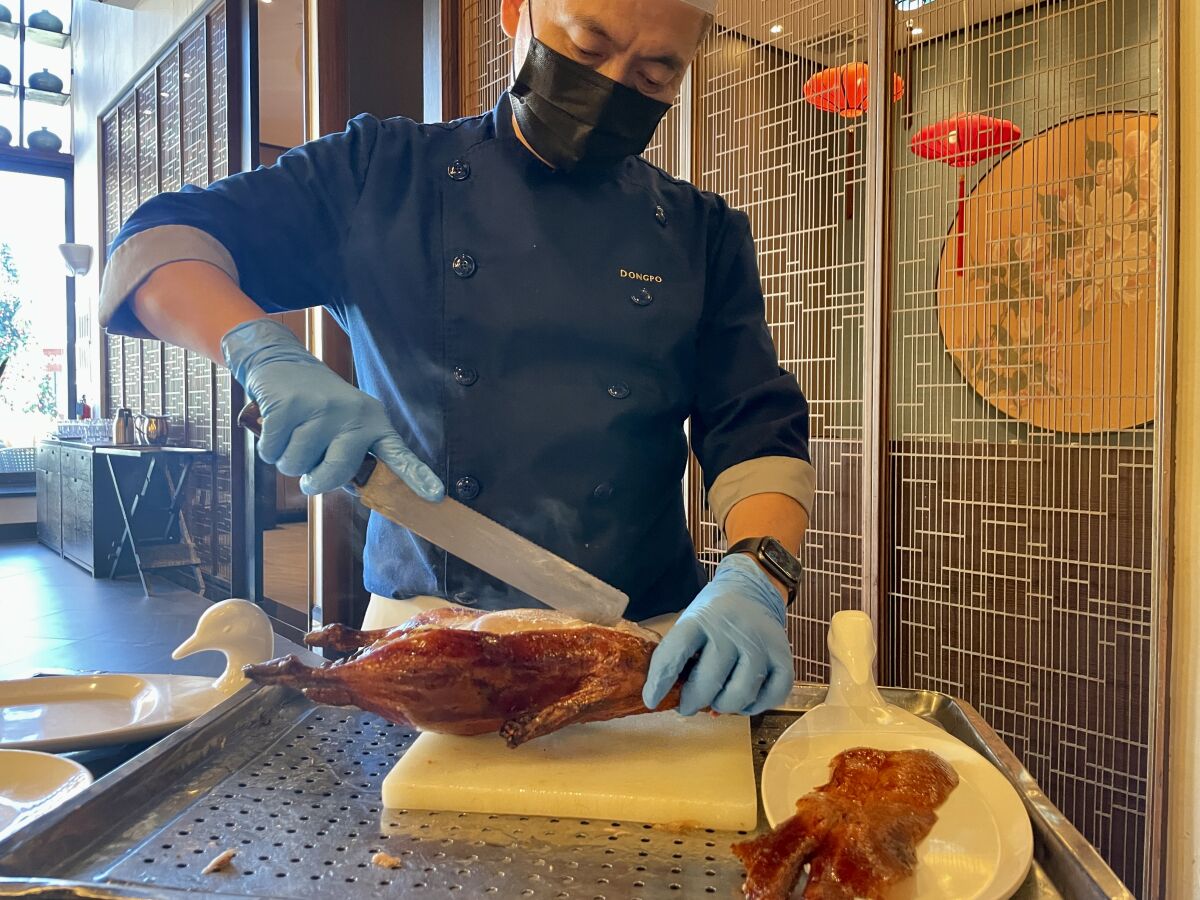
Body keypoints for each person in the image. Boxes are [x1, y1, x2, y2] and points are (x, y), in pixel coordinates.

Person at [98, 0, 814, 718]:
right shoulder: (380, 175)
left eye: (657, 74)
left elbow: (752, 427)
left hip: (642, 638)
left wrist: (758, 575)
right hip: (427, 639)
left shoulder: (702, 232)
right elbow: (154, 246)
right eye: (590, 46)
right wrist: (260, 349)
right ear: (516, 12)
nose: (611, 89)